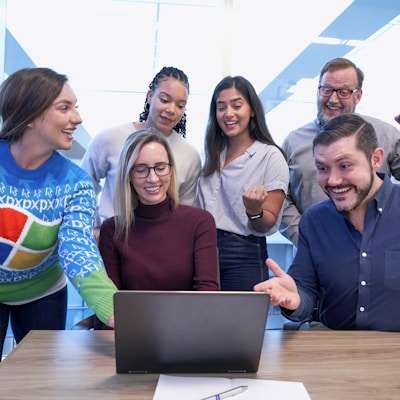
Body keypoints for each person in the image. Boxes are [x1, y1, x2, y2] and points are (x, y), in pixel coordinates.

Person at [0, 67, 117, 358]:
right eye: (65, 108)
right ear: (29, 115)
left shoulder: (76, 182)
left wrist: (111, 305)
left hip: (43, 293)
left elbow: (78, 247)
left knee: (39, 379)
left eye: (75, 107)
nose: (77, 118)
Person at [255, 114, 400, 331]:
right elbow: (306, 293)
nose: (332, 181)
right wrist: (294, 299)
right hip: (333, 354)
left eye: (344, 165)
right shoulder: (314, 221)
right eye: (322, 168)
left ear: (376, 159)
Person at [280, 57, 400, 246]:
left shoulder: (386, 135)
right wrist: (305, 234)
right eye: (326, 90)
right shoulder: (293, 142)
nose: (333, 99)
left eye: (343, 92)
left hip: (377, 249)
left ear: (358, 96)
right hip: (315, 255)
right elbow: (280, 198)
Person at [81, 66, 201, 236]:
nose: (172, 110)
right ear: (150, 96)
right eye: (165, 100)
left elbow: (184, 211)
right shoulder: (110, 138)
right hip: (110, 238)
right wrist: (94, 228)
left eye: (180, 105)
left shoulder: (190, 156)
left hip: (158, 243)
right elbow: (83, 187)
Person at [98, 128, 219, 297]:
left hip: (188, 322)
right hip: (133, 323)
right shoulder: (112, 230)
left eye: (160, 168)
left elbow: (207, 293)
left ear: (170, 170)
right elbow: (111, 301)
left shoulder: (200, 222)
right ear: (129, 175)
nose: (152, 178)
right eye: (141, 169)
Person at [196, 76, 289, 291]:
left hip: (243, 253)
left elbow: (267, 223)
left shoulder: (270, 156)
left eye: (237, 106)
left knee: (239, 323)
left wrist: (254, 210)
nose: (228, 113)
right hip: (202, 249)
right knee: (199, 322)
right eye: (221, 107)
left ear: (252, 110)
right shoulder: (209, 155)